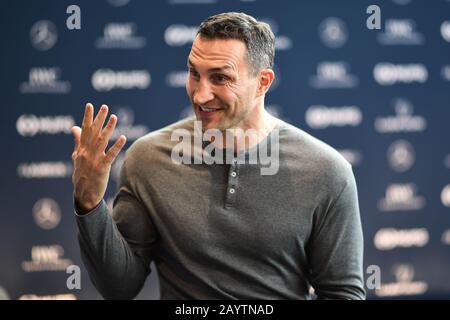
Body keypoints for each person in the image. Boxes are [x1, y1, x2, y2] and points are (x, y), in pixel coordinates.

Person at [71, 12, 365, 300]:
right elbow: (119, 288)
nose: (200, 95)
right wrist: (89, 203)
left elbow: (342, 293)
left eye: (220, 78)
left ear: (263, 82)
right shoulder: (147, 159)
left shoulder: (327, 171)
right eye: (194, 74)